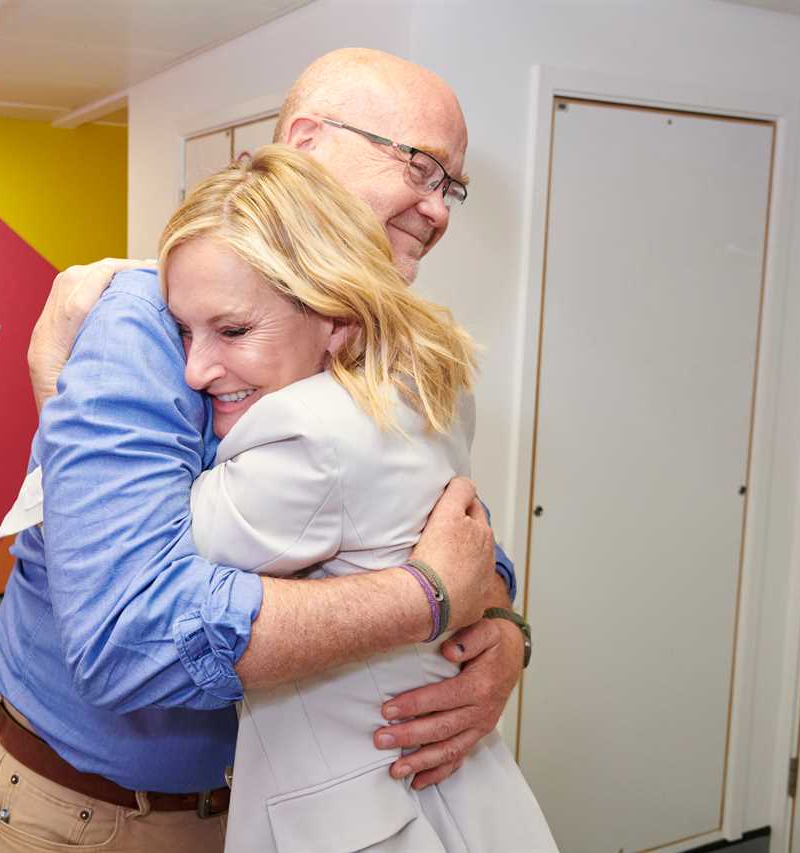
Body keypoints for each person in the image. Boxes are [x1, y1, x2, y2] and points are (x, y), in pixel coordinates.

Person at [0, 49, 528, 853]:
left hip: (283, 802)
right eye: (422, 169)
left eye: (451, 188)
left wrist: (500, 628)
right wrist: (425, 597)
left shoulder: (377, 337)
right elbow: (126, 631)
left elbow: (443, 519)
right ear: (307, 141)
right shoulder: (147, 324)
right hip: (106, 811)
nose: (439, 211)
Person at [161, 145, 556, 852]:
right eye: (181, 331)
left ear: (335, 320)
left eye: (232, 330)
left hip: (357, 814)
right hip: (451, 792)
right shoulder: (417, 385)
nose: (193, 368)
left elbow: (152, 556)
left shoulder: (303, 435)